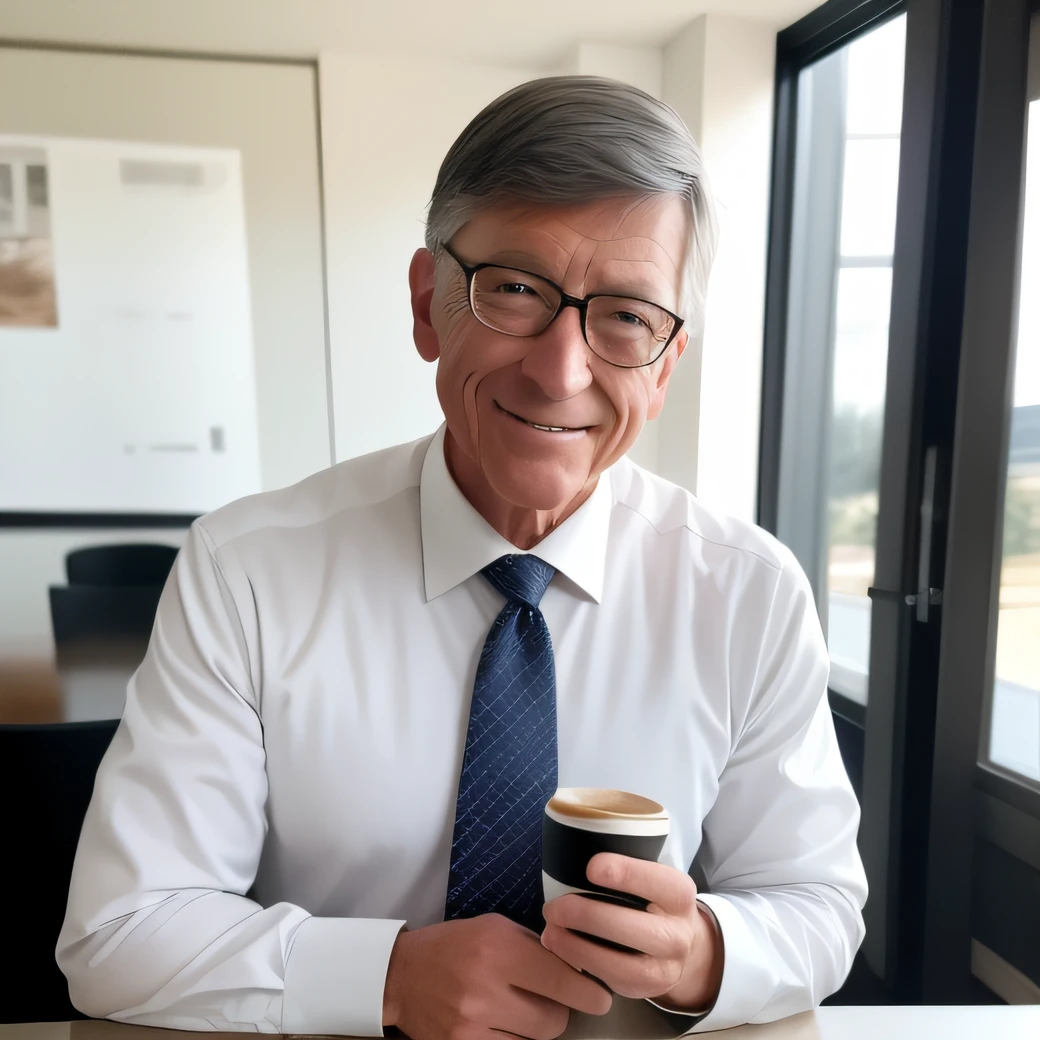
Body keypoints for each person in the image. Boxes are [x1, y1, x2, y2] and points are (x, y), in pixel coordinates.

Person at [58, 76, 867, 1037]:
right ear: (428, 303)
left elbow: (816, 905)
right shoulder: (247, 571)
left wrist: (704, 955)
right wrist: (388, 976)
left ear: (666, 366)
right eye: (517, 289)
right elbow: (119, 935)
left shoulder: (750, 594)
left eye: (626, 317)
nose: (562, 371)